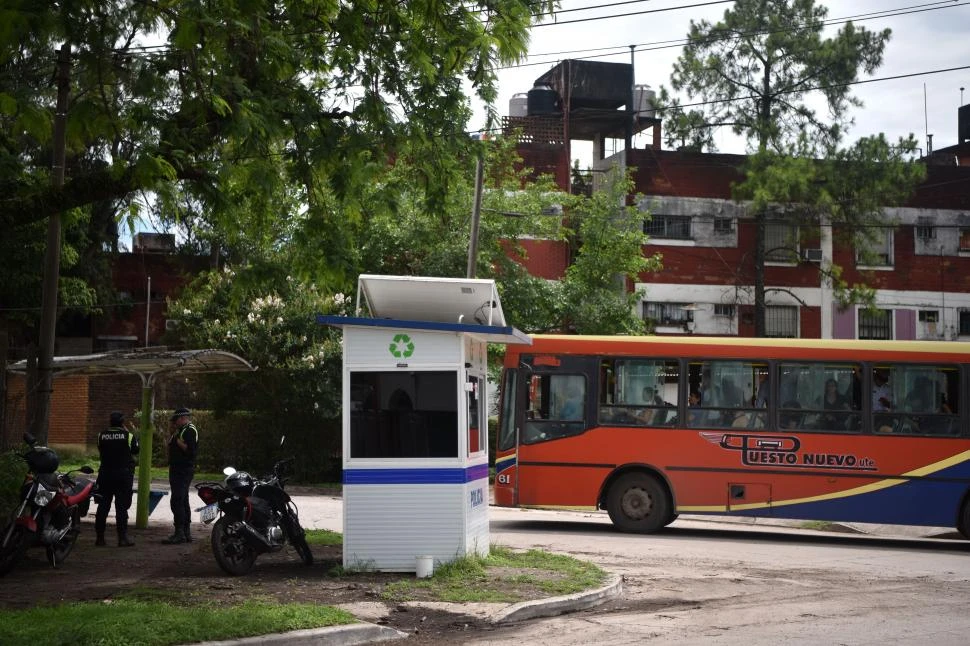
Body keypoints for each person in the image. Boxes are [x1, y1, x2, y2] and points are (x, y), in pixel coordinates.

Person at [95, 411, 139, 547]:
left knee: (103, 506)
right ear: (122, 422)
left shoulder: (101, 435)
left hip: (105, 474)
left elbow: (100, 449)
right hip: (122, 475)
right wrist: (126, 432)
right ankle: (122, 538)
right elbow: (136, 450)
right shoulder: (128, 436)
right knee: (121, 507)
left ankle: (100, 538)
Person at [162, 407, 199, 545]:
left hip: (182, 470)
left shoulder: (189, 430)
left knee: (177, 500)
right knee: (182, 500)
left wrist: (177, 440)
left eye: (175, 420)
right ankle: (185, 532)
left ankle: (180, 533)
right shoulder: (182, 430)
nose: (174, 423)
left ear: (183, 418)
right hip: (178, 469)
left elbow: (190, 451)